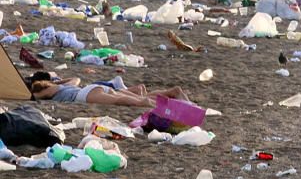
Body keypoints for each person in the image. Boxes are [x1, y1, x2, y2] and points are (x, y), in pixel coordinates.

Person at [28, 73, 190, 107]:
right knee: (120, 95)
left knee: (120, 100)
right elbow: (76, 78)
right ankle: (173, 99)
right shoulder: (64, 86)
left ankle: (150, 103)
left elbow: (33, 96)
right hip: (92, 88)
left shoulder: (49, 90)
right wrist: (58, 80)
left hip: (84, 95)